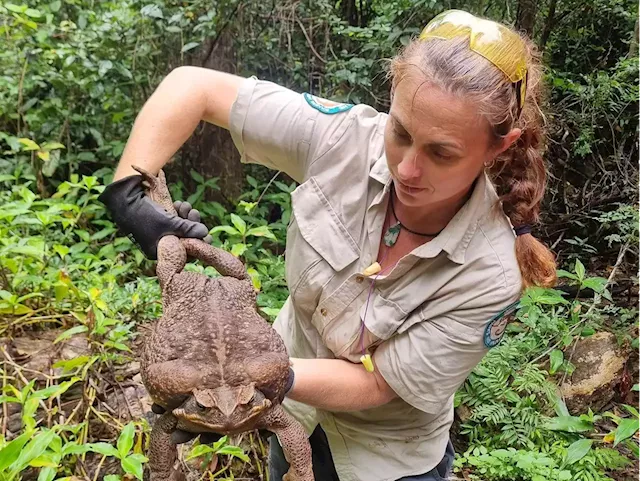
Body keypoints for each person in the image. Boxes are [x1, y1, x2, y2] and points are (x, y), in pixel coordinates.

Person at [99, 9, 557, 481]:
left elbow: (379, 383)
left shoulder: (491, 271)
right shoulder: (344, 140)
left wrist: (251, 379)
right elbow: (192, 86)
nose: (407, 169)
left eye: (442, 153)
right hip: (293, 421)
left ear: (498, 147)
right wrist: (129, 197)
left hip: (385, 459)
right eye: (400, 132)